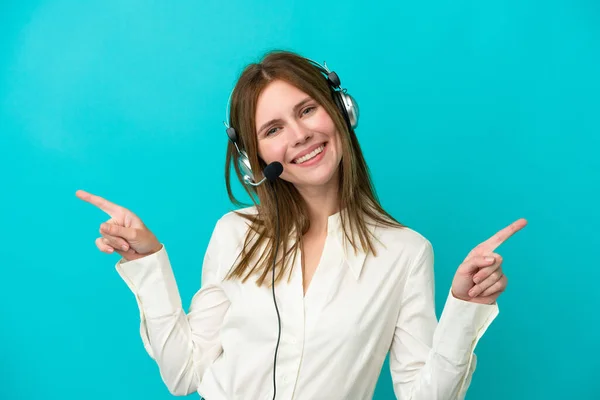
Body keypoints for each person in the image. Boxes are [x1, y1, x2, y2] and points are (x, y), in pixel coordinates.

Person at [76, 50, 527, 400]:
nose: (299, 135)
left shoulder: (406, 253)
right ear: (257, 159)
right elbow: (184, 372)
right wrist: (150, 263)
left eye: (307, 110)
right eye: (272, 129)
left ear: (340, 111)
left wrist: (465, 307)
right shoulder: (235, 234)